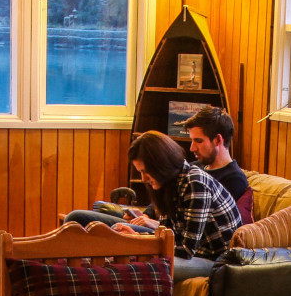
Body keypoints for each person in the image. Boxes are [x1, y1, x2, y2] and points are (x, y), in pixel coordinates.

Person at [66, 131, 240, 282]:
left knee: (133, 261)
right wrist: (136, 236)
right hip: (185, 249)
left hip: (210, 259)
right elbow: (166, 233)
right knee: (89, 224)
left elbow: (186, 249)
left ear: (161, 165)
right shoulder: (168, 183)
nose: (143, 179)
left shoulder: (195, 183)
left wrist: (137, 240)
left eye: (145, 171)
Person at [183, 107, 253, 224]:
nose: (192, 148)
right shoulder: (194, 167)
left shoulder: (234, 179)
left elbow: (205, 222)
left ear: (217, 140)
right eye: (192, 141)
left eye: (199, 141)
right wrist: (147, 215)